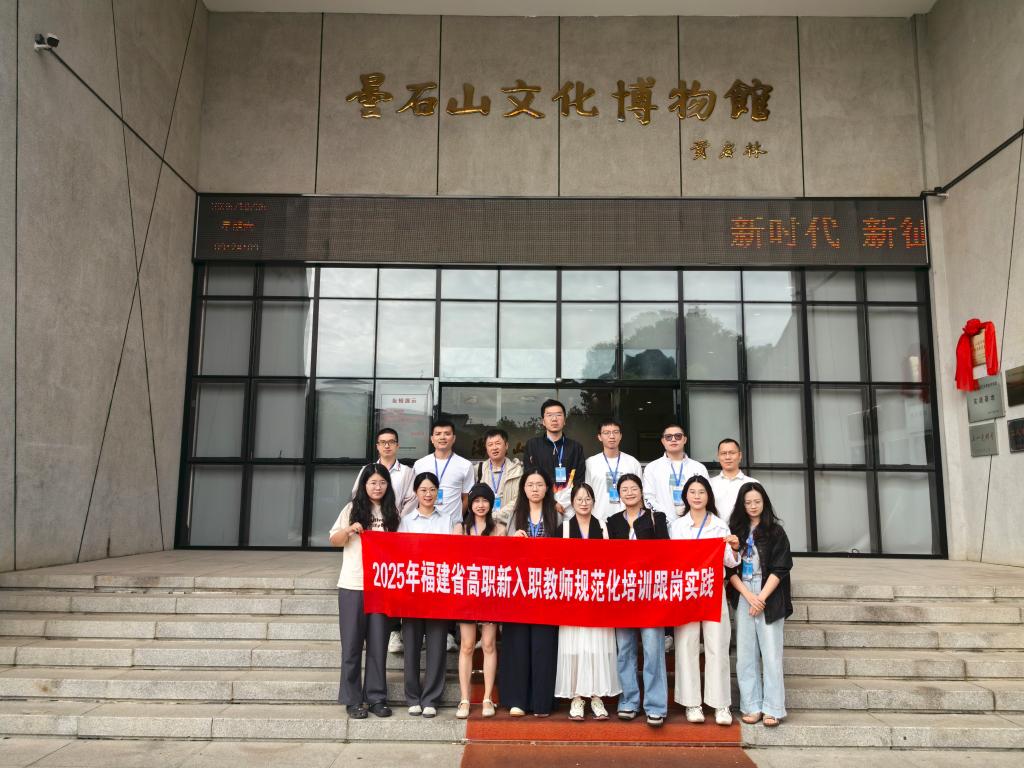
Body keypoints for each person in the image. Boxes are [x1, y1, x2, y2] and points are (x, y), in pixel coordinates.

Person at [329, 463, 401, 719]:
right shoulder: (352, 509)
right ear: (364, 485)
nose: (377, 487)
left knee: (378, 646)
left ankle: (376, 697)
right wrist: (349, 530)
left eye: (382, 483)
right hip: (353, 585)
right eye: (372, 483)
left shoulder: (393, 513)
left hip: (381, 587)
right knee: (351, 645)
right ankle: (352, 699)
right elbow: (334, 540)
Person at [670, 475, 740, 726]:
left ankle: (720, 704)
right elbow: (672, 558)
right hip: (686, 590)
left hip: (712, 589)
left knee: (717, 645)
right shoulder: (678, 526)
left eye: (701, 492)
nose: (697, 496)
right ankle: (692, 703)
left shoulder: (720, 525)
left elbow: (730, 562)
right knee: (686, 645)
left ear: (708, 495)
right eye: (692, 492)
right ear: (686, 496)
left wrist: (734, 547)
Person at [605, 473, 670, 728]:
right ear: (618, 494)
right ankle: (629, 701)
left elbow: (665, 553)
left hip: (651, 595)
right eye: (624, 489)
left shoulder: (656, 518)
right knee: (625, 650)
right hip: (622, 596)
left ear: (641, 491)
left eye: (634, 488)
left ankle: (655, 705)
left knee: (653, 651)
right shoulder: (612, 522)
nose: (629, 493)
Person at [727, 482, 793, 728]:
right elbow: (729, 569)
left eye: (757, 501)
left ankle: (773, 708)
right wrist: (748, 596)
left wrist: (761, 598)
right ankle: (751, 706)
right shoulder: (735, 531)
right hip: (744, 592)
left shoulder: (775, 531)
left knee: (771, 654)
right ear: (742, 505)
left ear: (764, 503)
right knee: (746, 654)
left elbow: (781, 567)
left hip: (769, 595)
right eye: (748, 502)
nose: (753, 506)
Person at [398, 472, 462, 718]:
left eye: (432, 490)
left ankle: (431, 698)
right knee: (411, 645)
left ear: (438, 492)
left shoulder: (447, 520)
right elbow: (399, 553)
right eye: (423, 490)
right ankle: (412, 696)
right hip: (413, 591)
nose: (428, 494)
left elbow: (453, 553)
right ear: (416, 492)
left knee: (436, 647)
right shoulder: (406, 521)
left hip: (438, 591)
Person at [554, 483, 620, 721]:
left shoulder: (604, 526)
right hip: (572, 597)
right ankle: (577, 697)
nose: (584, 503)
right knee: (574, 647)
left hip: (598, 597)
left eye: (588, 498)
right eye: (579, 499)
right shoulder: (563, 528)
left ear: (594, 501)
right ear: (572, 502)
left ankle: (596, 696)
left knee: (597, 647)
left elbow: (613, 560)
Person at [500, 469, 561, 717]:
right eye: (530, 485)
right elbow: (501, 551)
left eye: (539, 484)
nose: (535, 489)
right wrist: (512, 539)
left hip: (547, 589)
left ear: (547, 488)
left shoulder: (557, 515)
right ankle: (517, 699)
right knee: (517, 644)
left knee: (543, 645)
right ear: (523, 489)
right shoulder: (515, 514)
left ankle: (541, 701)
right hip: (519, 590)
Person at [352, 428, 417, 656]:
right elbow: (357, 496)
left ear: (397, 445)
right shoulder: (366, 470)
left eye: (391, 442)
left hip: (396, 533)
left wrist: (393, 518)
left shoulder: (407, 472)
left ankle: (395, 630)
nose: (387, 446)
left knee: (394, 581)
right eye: (383, 442)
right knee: (374, 580)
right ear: (377, 446)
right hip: (372, 536)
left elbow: (412, 500)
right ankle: (376, 630)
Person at [412, 420, 475, 652]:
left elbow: (466, 497)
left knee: (447, 580)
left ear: (454, 438)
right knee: (423, 577)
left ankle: (447, 632)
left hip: (450, 530)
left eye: (447, 434)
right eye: (438, 434)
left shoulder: (465, 465)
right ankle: (419, 630)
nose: (442, 437)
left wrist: (455, 520)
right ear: (431, 438)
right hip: (423, 529)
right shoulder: (420, 464)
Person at [456, 483, 505, 719]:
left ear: (491, 504)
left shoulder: (499, 529)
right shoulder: (460, 528)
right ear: (470, 504)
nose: (481, 505)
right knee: (467, 645)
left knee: (488, 644)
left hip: (490, 592)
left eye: (485, 500)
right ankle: (464, 699)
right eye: (476, 501)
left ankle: (487, 698)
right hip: (467, 591)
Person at [523, 399, 585, 515]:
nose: (554, 419)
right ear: (543, 421)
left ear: (564, 420)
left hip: (569, 509)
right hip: (540, 506)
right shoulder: (532, 445)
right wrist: (551, 502)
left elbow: (579, 480)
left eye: (558, 415)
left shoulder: (576, 447)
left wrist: (563, 503)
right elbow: (529, 479)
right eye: (549, 415)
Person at [642, 422, 709, 518]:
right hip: (663, 523)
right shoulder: (652, 468)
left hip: (693, 522)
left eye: (678, 436)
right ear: (663, 441)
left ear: (685, 439)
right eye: (668, 437)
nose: (673, 439)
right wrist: (665, 520)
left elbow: (706, 495)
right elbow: (648, 498)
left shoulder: (699, 467)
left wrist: (690, 520)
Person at [584, 419, 642, 523]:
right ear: (599, 437)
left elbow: (641, 494)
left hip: (628, 520)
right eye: (606, 433)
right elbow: (586, 493)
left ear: (621, 435)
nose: (611, 436)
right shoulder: (590, 463)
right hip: (599, 519)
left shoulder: (632, 462)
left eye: (615, 432)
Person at [473, 428, 523, 526]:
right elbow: (472, 499)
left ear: (506, 445)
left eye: (498, 443)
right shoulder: (478, 470)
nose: (494, 448)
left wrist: (495, 516)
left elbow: (518, 499)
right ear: (486, 448)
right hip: (483, 524)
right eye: (490, 444)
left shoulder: (517, 471)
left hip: (509, 525)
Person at [709, 438, 759, 525]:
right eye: (723, 453)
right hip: (715, 531)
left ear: (740, 455)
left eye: (732, 453)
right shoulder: (710, 483)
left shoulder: (753, 484)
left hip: (744, 531)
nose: (728, 457)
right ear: (718, 456)